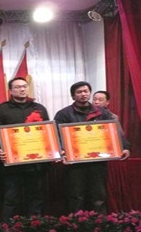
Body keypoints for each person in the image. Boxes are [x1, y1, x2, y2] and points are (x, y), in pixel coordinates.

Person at [54, 81, 130, 213]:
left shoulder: (102, 113)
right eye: (79, 92)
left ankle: (100, 222)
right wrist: (62, 152)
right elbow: (57, 136)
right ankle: (76, 222)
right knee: (76, 195)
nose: (83, 94)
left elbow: (115, 132)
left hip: (98, 161)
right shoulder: (63, 114)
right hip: (75, 163)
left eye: (86, 91)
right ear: (73, 96)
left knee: (98, 195)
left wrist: (125, 147)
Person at [0, 77, 51, 220]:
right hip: (12, 162)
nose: (22, 89)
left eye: (24, 86)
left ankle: (35, 224)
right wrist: (0, 151)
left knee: (35, 196)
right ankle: (8, 227)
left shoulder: (39, 108)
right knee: (11, 196)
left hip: (35, 162)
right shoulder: (2, 109)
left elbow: (47, 131)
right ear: (10, 91)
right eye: (18, 87)